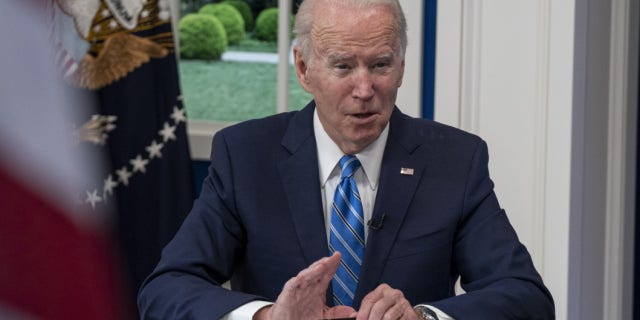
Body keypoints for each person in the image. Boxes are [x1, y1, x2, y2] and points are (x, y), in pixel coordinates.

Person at [138, 0, 555, 319]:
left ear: (402, 66)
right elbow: (166, 289)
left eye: (380, 64)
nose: (364, 88)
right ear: (304, 69)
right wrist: (268, 316)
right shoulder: (245, 156)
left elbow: (526, 296)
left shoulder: (455, 160)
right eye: (342, 66)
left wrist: (423, 317)